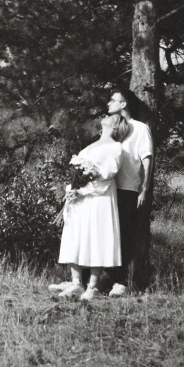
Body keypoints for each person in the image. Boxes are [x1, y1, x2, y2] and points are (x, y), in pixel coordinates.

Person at [49, 113, 129, 301]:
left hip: (98, 197)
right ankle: (76, 283)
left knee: (96, 236)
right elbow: (78, 170)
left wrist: (83, 190)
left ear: (116, 125)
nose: (106, 116)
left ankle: (92, 286)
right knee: (76, 235)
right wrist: (71, 189)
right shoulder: (92, 144)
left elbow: (106, 175)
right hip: (79, 197)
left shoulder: (116, 147)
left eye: (111, 116)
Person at [106, 88, 154, 298]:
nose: (109, 103)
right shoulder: (112, 127)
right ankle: (98, 279)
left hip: (128, 189)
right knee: (107, 235)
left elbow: (147, 158)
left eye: (113, 100)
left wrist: (143, 188)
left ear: (123, 104)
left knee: (125, 235)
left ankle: (121, 281)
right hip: (107, 189)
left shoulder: (140, 128)